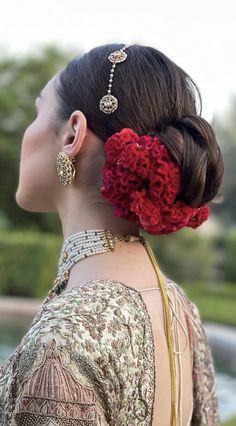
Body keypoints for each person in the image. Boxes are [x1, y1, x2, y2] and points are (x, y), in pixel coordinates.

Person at [0, 43, 224, 425]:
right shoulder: (179, 306)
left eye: (38, 111)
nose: (27, 131)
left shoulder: (62, 341)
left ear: (72, 134)